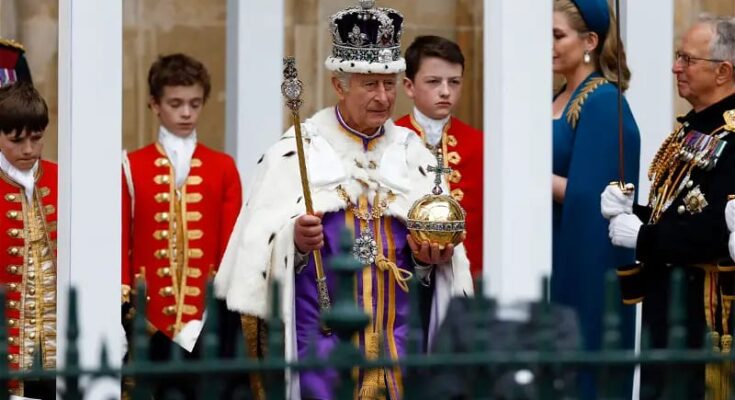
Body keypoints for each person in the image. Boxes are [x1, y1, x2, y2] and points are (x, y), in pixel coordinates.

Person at [215, 1, 474, 399]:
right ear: (340, 85)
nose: (384, 97)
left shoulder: (413, 154)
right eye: (370, 84)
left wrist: (428, 258)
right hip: (319, 338)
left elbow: (433, 272)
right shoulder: (297, 151)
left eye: (390, 83)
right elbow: (257, 258)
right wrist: (295, 242)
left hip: (398, 342)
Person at [604, 16, 735, 399]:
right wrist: (636, 211)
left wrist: (643, 235)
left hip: (704, 310)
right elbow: (679, 212)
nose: (676, 67)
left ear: (723, 71)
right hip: (669, 301)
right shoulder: (696, 128)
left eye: (688, 59)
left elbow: (718, 231)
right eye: (679, 56)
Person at [121, 53, 244, 398]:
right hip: (148, 320)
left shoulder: (223, 167)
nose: (186, 113)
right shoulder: (132, 165)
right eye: (175, 104)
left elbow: (229, 247)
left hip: (206, 321)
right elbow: (121, 241)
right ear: (154, 105)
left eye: (194, 103)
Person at [395, 35, 484, 279]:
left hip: (468, 278)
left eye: (454, 82)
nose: (445, 91)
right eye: (433, 81)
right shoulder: (391, 142)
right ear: (409, 86)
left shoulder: (481, 145)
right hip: (405, 275)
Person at [0, 81, 57, 399]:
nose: (29, 150)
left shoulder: (63, 178)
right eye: (16, 140)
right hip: (6, 347)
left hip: (56, 346)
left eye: (36, 138)